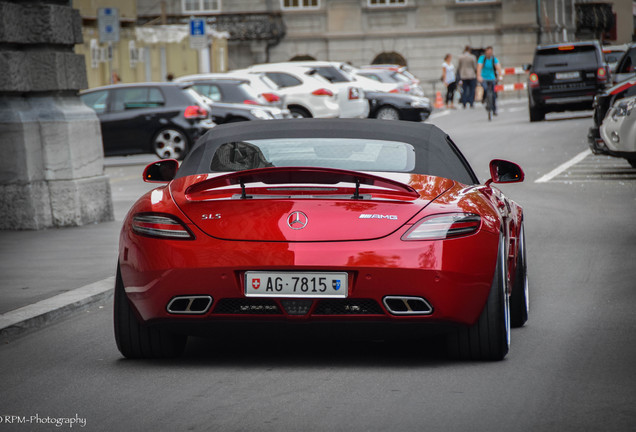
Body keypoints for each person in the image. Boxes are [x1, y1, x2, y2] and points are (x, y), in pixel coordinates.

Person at [476, 46, 503, 115]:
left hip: (492, 77)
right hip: (484, 77)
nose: (490, 53)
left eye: (491, 52)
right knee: (485, 89)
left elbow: (498, 67)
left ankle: (494, 109)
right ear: (486, 52)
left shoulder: (494, 59)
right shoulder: (482, 58)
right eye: (488, 52)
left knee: (493, 94)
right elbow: (479, 67)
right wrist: (479, 76)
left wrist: (500, 75)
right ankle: (484, 98)